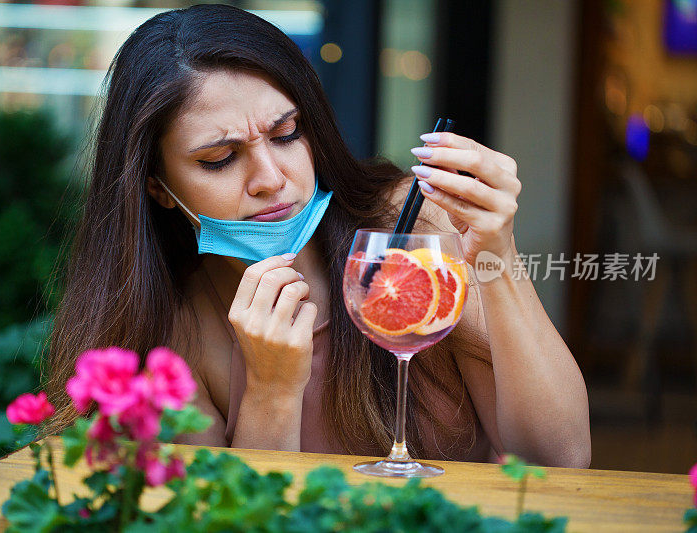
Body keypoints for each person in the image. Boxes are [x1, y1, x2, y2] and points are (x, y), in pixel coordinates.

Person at [44, 4, 590, 467]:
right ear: (159, 187)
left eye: (287, 135)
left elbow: (561, 459)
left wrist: (499, 255)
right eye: (220, 159)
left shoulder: (411, 230)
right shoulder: (168, 334)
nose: (272, 180)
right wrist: (270, 392)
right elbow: (235, 520)